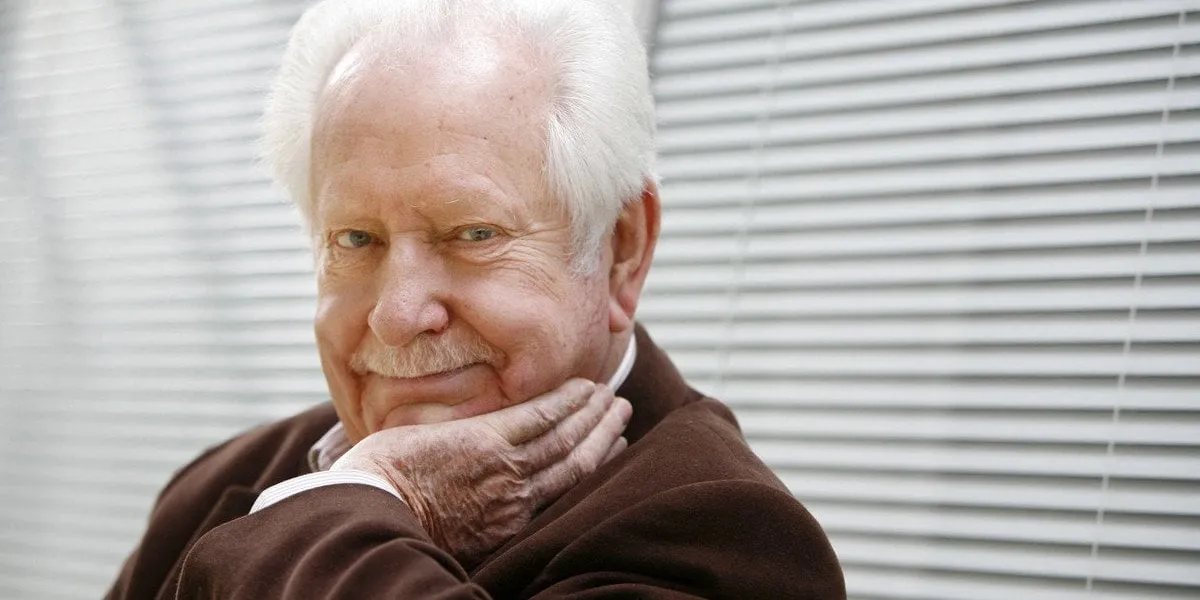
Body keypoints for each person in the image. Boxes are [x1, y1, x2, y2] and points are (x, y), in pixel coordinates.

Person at [106, 0, 845, 598]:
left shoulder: (731, 544)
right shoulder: (222, 481)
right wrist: (372, 494)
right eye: (356, 239)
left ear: (622, 249)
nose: (397, 316)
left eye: (473, 234)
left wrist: (365, 498)